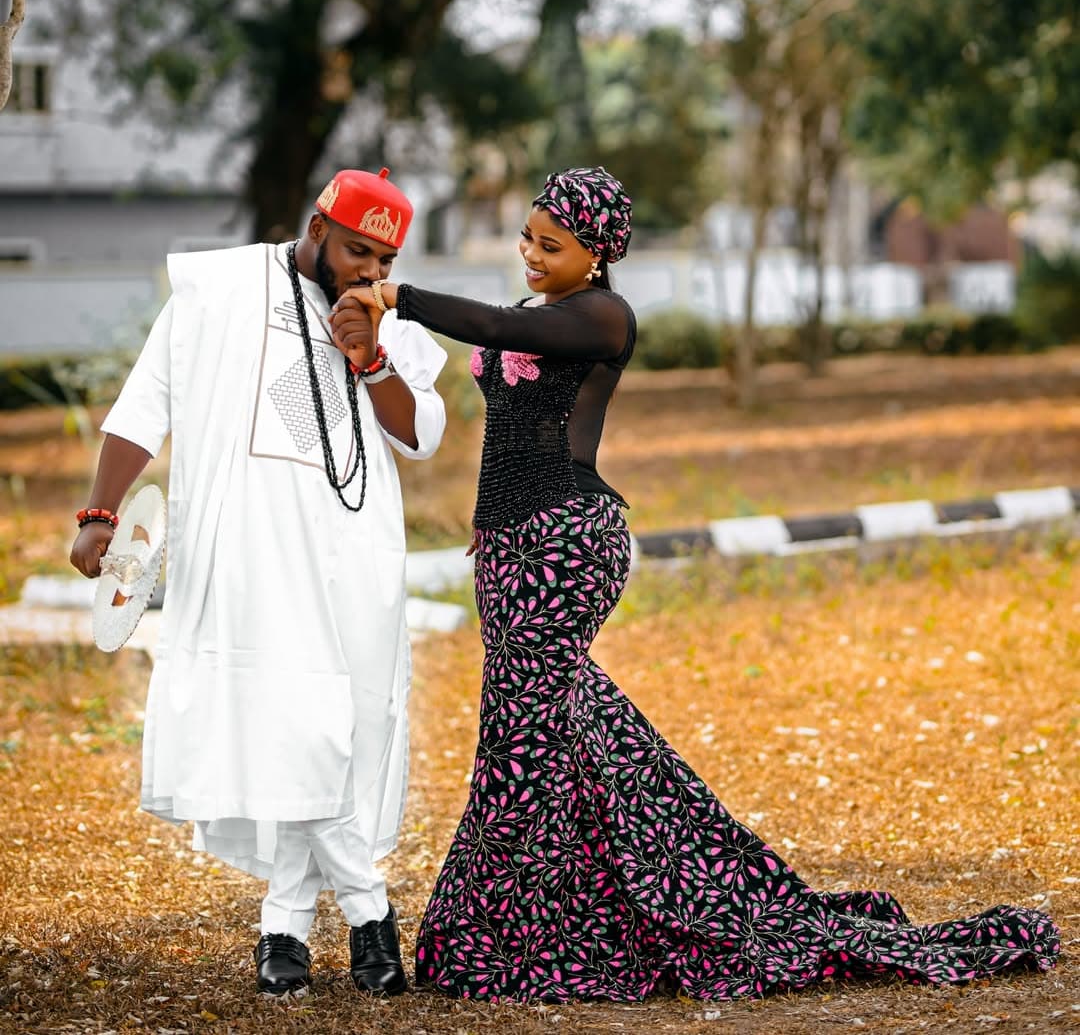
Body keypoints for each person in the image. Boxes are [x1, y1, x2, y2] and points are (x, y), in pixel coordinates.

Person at [333, 165, 1060, 1004]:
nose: (530, 253)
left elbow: (489, 324)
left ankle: (499, 940)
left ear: (598, 253)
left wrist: (399, 295)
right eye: (527, 237)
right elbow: (508, 421)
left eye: (551, 244)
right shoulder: (539, 311)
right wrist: (489, 520)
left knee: (519, 739)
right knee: (564, 729)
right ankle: (613, 905)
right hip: (511, 547)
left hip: (564, 543)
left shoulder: (604, 316)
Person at [69, 167, 448, 999]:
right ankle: (368, 911)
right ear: (316, 227)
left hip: (355, 557)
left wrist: (372, 353)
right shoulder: (219, 288)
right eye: (355, 251)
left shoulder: (389, 313)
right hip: (249, 554)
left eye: (382, 259)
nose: (366, 272)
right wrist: (101, 510)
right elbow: (144, 404)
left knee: (339, 734)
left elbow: (421, 435)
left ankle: (282, 927)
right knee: (291, 726)